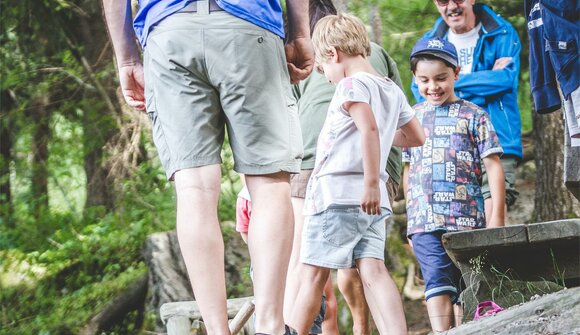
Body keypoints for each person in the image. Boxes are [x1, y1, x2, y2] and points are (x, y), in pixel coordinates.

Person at [101, 0, 314, 333]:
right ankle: (271, 325)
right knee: (269, 183)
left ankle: (217, 329)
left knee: (194, 189)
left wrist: (126, 56)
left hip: (169, 32)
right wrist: (301, 31)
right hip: (249, 27)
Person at [288, 13, 425, 335]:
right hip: (370, 201)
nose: (328, 78)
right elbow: (416, 137)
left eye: (325, 69)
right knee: (374, 270)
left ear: (333, 54)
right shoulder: (388, 87)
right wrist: (376, 171)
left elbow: (369, 128)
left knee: (311, 274)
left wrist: (369, 183)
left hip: (339, 195)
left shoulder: (351, 84)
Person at [404, 37, 506, 332]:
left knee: (466, 285)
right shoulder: (411, 118)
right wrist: (412, 218)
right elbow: (409, 170)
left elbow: (493, 166)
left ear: (456, 74)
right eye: (424, 80)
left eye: (441, 78)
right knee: (436, 281)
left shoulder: (474, 115)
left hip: (467, 220)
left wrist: (496, 216)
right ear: (415, 79)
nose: (432, 86)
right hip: (424, 220)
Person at [411, 0, 522, 224]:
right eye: (443, 1)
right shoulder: (432, 40)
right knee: (458, 222)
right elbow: (418, 89)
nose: (452, 6)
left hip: (497, 138)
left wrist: (454, 86)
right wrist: (485, 82)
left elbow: (506, 79)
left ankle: (495, 260)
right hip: (451, 142)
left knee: (494, 222)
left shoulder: (501, 32)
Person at [525, 0, 580, 200]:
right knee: (576, 174)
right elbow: (536, 23)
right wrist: (543, 88)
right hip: (569, 75)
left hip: (572, 64)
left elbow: (567, 7)